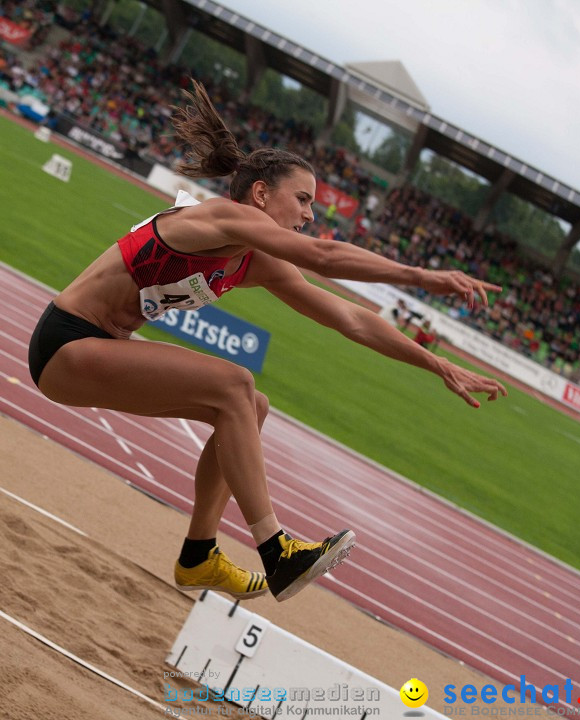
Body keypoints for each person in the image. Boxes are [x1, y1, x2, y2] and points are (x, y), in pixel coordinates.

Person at [27, 81, 507, 603]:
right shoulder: (216, 218)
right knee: (235, 382)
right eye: (302, 200)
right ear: (260, 194)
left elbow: (350, 318)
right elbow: (322, 257)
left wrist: (435, 362)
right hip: (67, 342)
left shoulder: (254, 260)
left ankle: (198, 556)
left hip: (100, 348)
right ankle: (276, 549)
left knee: (251, 405)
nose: (308, 214)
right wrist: (421, 276)